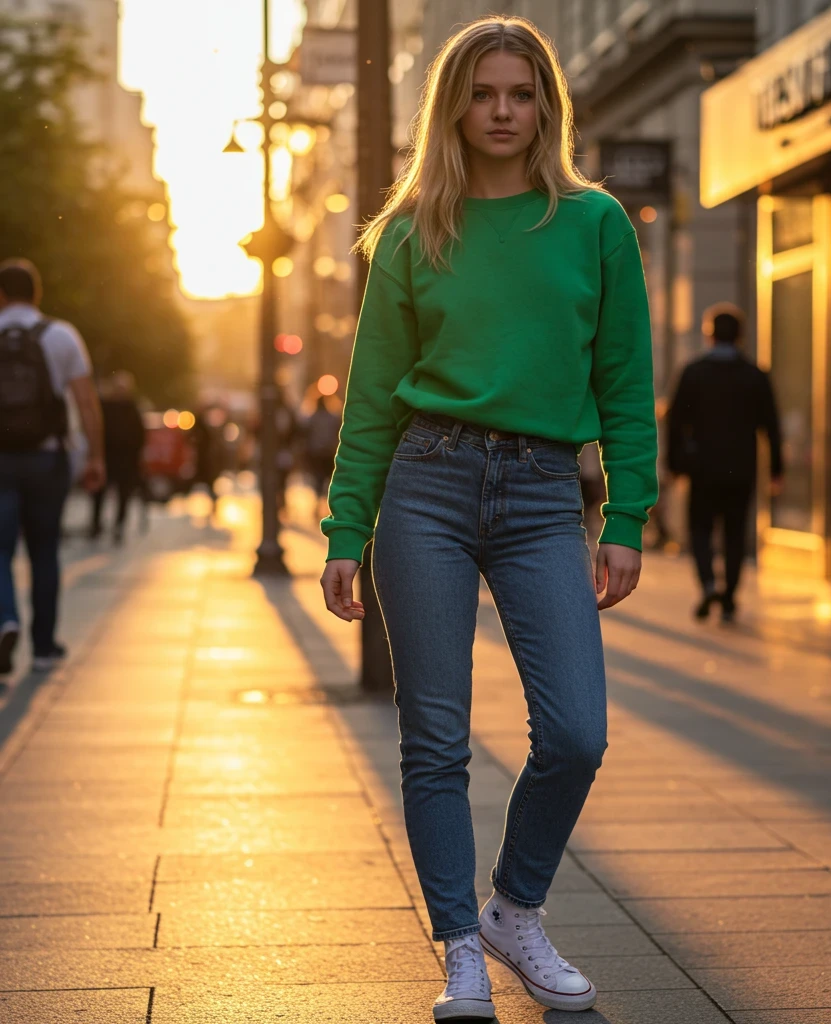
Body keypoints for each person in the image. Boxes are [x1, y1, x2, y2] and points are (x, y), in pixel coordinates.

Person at [318, 17, 657, 1020]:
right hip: (425, 484)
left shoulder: (594, 223)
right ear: (453, 108)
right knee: (435, 738)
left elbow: (626, 384)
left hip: (547, 494)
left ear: (546, 105)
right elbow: (371, 393)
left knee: (575, 732)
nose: (503, 111)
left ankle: (514, 907)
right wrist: (346, 529)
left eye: (520, 94)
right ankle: (460, 949)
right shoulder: (413, 230)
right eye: (484, 94)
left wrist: (628, 512)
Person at [0, 258, 105, 674]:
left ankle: (5, 619)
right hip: (47, 458)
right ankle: (44, 646)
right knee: (44, 550)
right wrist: (95, 456)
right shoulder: (61, 335)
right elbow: (85, 401)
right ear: (37, 294)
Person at [667, 303, 783, 623]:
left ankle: (707, 584)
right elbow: (771, 425)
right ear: (741, 336)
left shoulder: (694, 373)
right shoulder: (754, 376)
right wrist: (776, 470)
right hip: (741, 468)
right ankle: (729, 596)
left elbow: (676, 422)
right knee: (735, 532)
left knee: (700, 529)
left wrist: (675, 464)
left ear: (709, 334)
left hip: (702, 469)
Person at [90, 371, 145, 544]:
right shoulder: (106, 406)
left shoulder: (132, 408)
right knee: (100, 493)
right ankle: (95, 525)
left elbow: (140, 435)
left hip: (126, 461)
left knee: (123, 495)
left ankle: (118, 526)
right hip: (108, 457)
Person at [304, 396, 342, 514]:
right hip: (329, 452)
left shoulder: (312, 418)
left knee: (318, 479)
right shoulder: (332, 418)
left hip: (316, 453)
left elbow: (305, 434)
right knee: (328, 478)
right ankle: (325, 501)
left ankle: (318, 500)